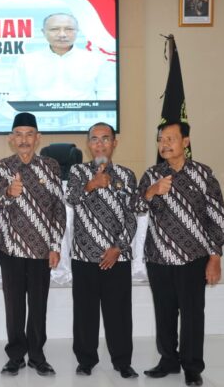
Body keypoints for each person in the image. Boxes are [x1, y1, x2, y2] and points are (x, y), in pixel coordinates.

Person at [138, 121, 224, 387]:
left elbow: (217, 218)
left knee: (192, 314)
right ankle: (168, 360)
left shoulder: (203, 174)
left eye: (170, 138)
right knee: (164, 312)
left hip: (193, 258)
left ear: (185, 142)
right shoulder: (152, 174)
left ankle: (192, 366)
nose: (164, 144)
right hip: (159, 258)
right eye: (160, 139)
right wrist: (151, 191)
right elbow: (135, 207)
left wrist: (215, 257)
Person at [0, 112, 65, 377]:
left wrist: (55, 245)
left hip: (42, 249)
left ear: (38, 137)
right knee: (14, 305)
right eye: (18, 135)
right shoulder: (2, 167)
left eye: (29, 134)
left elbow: (58, 208)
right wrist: (9, 192)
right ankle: (15, 356)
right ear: (11, 139)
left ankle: (37, 355)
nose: (24, 140)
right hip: (11, 248)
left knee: (38, 305)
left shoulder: (51, 166)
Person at [65, 122, 139, 379]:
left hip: (117, 256)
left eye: (105, 138)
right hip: (84, 255)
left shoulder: (127, 175)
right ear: (88, 144)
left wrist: (118, 248)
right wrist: (92, 184)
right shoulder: (77, 171)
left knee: (119, 312)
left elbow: (132, 217)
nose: (100, 144)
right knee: (85, 312)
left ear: (114, 143)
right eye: (94, 139)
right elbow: (71, 198)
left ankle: (122, 361)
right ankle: (86, 360)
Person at [15, 13, 115, 101]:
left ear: (77, 31)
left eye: (69, 29)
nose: (62, 34)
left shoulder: (97, 60)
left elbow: (107, 94)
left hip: (83, 114)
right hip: (37, 115)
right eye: (54, 29)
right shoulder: (27, 61)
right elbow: (16, 95)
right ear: (43, 32)